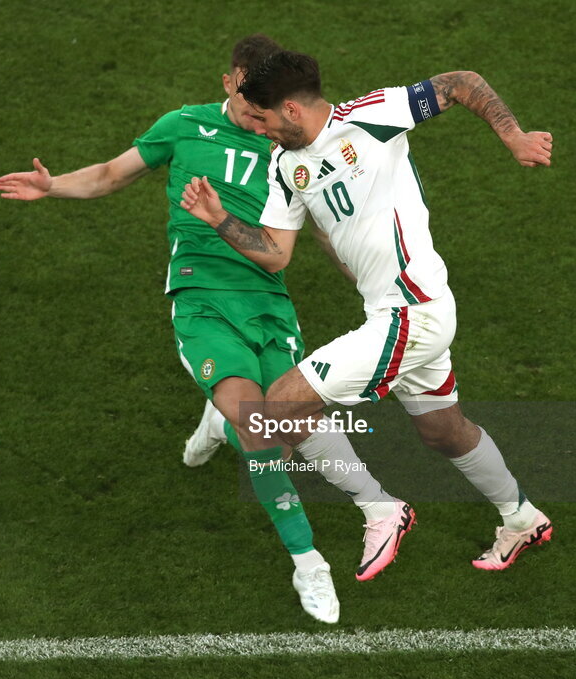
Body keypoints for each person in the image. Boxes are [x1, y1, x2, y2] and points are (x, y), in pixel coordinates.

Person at [0, 37, 340, 623]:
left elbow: (324, 224)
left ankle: (218, 420)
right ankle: (309, 562)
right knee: (259, 431)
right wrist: (52, 186)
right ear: (230, 81)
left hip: (269, 303)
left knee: (282, 433)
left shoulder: (289, 142)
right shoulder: (183, 126)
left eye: (268, 102)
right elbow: (110, 175)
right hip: (202, 299)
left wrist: (369, 275)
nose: (258, 111)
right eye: (250, 97)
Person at [180, 50, 554, 582]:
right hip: (396, 313)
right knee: (444, 432)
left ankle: (381, 510)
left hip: (413, 313)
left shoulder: (371, 115)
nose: (256, 128)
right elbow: (275, 251)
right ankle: (521, 517)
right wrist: (219, 218)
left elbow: (460, 82)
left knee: (279, 407)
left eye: (261, 118)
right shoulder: (284, 164)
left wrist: (513, 137)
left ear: (291, 109)